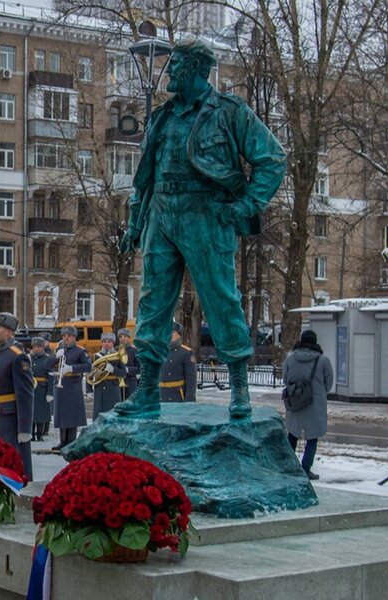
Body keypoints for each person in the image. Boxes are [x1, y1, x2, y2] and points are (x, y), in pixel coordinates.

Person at [117, 38, 287, 419]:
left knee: (221, 298)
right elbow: (144, 178)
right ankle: (147, 391)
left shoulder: (227, 111)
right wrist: (135, 223)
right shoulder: (162, 116)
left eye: (176, 64)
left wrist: (246, 204)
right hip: (161, 211)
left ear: (195, 68)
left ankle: (239, 390)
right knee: (152, 302)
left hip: (205, 212)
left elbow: (273, 159)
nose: (169, 71)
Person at [0, 313, 34, 480]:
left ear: (10, 332)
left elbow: (25, 395)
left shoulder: (17, 356)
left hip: (9, 421)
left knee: (12, 468)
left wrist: (24, 429)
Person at [282, 330, 333, 480]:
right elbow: (328, 383)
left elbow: (286, 379)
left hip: (295, 402)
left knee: (292, 435)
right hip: (315, 403)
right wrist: (319, 392)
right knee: (312, 437)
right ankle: (306, 468)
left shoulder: (290, 359)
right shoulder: (323, 360)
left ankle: (289, 466)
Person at [52, 326, 91, 451]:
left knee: (72, 416)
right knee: (62, 415)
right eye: (64, 336)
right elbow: (48, 365)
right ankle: (62, 441)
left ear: (74, 337)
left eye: (69, 336)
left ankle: (71, 442)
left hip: (73, 386)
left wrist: (71, 368)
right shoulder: (59, 350)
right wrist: (55, 357)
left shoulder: (80, 351)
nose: (66, 338)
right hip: (60, 386)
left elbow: (87, 366)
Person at [90, 333, 127, 418]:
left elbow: (123, 373)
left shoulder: (118, 355)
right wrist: (89, 389)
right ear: (102, 343)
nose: (107, 343)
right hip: (99, 387)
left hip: (113, 388)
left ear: (113, 343)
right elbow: (89, 374)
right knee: (99, 413)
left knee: (113, 413)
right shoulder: (95, 356)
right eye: (105, 341)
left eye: (109, 341)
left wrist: (113, 369)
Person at [159, 322, 197, 402]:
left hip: (176, 397)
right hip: (161, 396)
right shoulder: (161, 351)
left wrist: (189, 400)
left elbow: (191, 380)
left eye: (172, 332)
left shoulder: (186, 352)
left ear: (179, 335)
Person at [29, 337, 55, 442]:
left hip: (42, 388)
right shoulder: (28, 358)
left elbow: (51, 376)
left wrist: (50, 392)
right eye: (34, 347)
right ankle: (31, 433)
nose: (36, 349)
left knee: (41, 414)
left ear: (42, 347)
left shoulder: (47, 358)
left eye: (38, 347)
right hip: (31, 388)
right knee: (31, 413)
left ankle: (40, 434)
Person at [118, 328, 140, 399]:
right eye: (120, 337)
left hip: (131, 382)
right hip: (117, 383)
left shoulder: (134, 351)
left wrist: (127, 369)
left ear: (129, 338)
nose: (123, 338)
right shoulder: (115, 351)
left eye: (125, 336)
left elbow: (140, 368)